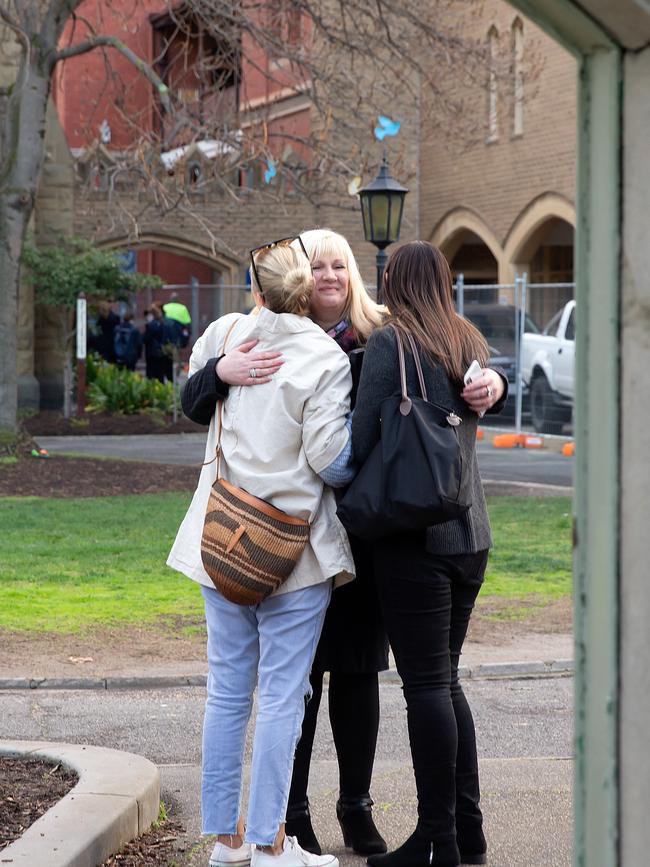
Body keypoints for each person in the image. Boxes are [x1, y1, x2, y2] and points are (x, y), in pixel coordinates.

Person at [205, 229, 507, 858]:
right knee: (372, 683)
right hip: (351, 539)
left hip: (384, 538)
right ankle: (301, 819)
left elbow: (356, 451)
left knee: (378, 680)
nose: (331, 275)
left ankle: (386, 818)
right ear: (300, 278)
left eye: (342, 265)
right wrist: (219, 374)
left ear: (375, 280)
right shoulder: (440, 333)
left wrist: (495, 385)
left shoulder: (387, 339)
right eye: (319, 266)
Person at [167, 237, 357, 867]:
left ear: (254, 287)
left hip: (219, 536)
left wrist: (219, 371)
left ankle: (225, 839)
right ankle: (269, 842)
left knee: (226, 689)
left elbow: (192, 398)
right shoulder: (324, 358)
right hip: (293, 551)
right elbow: (331, 462)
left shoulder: (223, 333)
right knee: (281, 695)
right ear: (306, 288)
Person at [352, 241, 502, 867]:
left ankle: (433, 839)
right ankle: (467, 833)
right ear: (443, 281)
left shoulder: (393, 344)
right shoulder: (469, 342)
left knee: (426, 688)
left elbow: (361, 437)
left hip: (413, 536)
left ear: (393, 282)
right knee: (447, 681)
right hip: (470, 533)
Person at [143, 302, 177, 382]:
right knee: (167, 375)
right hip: (167, 352)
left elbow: (146, 338)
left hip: (154, 353)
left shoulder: (154, 324)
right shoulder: (169, 322)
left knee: (155, 376)